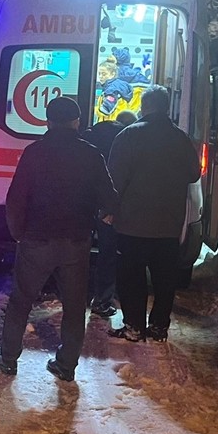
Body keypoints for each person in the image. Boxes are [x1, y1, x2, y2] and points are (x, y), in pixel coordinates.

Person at [0, 96, 118, 383]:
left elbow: (15, 199)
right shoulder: (92, 154)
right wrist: (104, 216)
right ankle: (66, 365)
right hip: (76, 242)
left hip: (36, 240)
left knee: (21, 301)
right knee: (75, 307)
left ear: (48, 122)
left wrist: (18, 234)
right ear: (77, 122)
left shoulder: (34, 153)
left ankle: (9, 360)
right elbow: (110, 199)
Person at [107, 86, 200, 343]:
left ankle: (134, 325)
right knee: (164, 279)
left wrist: (109, 212)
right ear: (167, 108)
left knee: (132, 277)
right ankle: (159, 326)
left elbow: (115, 179)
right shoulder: (181, 139)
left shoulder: (128, 136)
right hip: (169, 223)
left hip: (132, 223)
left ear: (144, 107)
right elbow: (194, 174)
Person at [84, 110, 137, 319]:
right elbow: (119, 177)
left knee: (76, 248)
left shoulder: (96, 131)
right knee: (107, 253)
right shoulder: (127, 139)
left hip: (84, 198)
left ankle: (72, 295)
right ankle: (102, 301)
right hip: (107, 204)